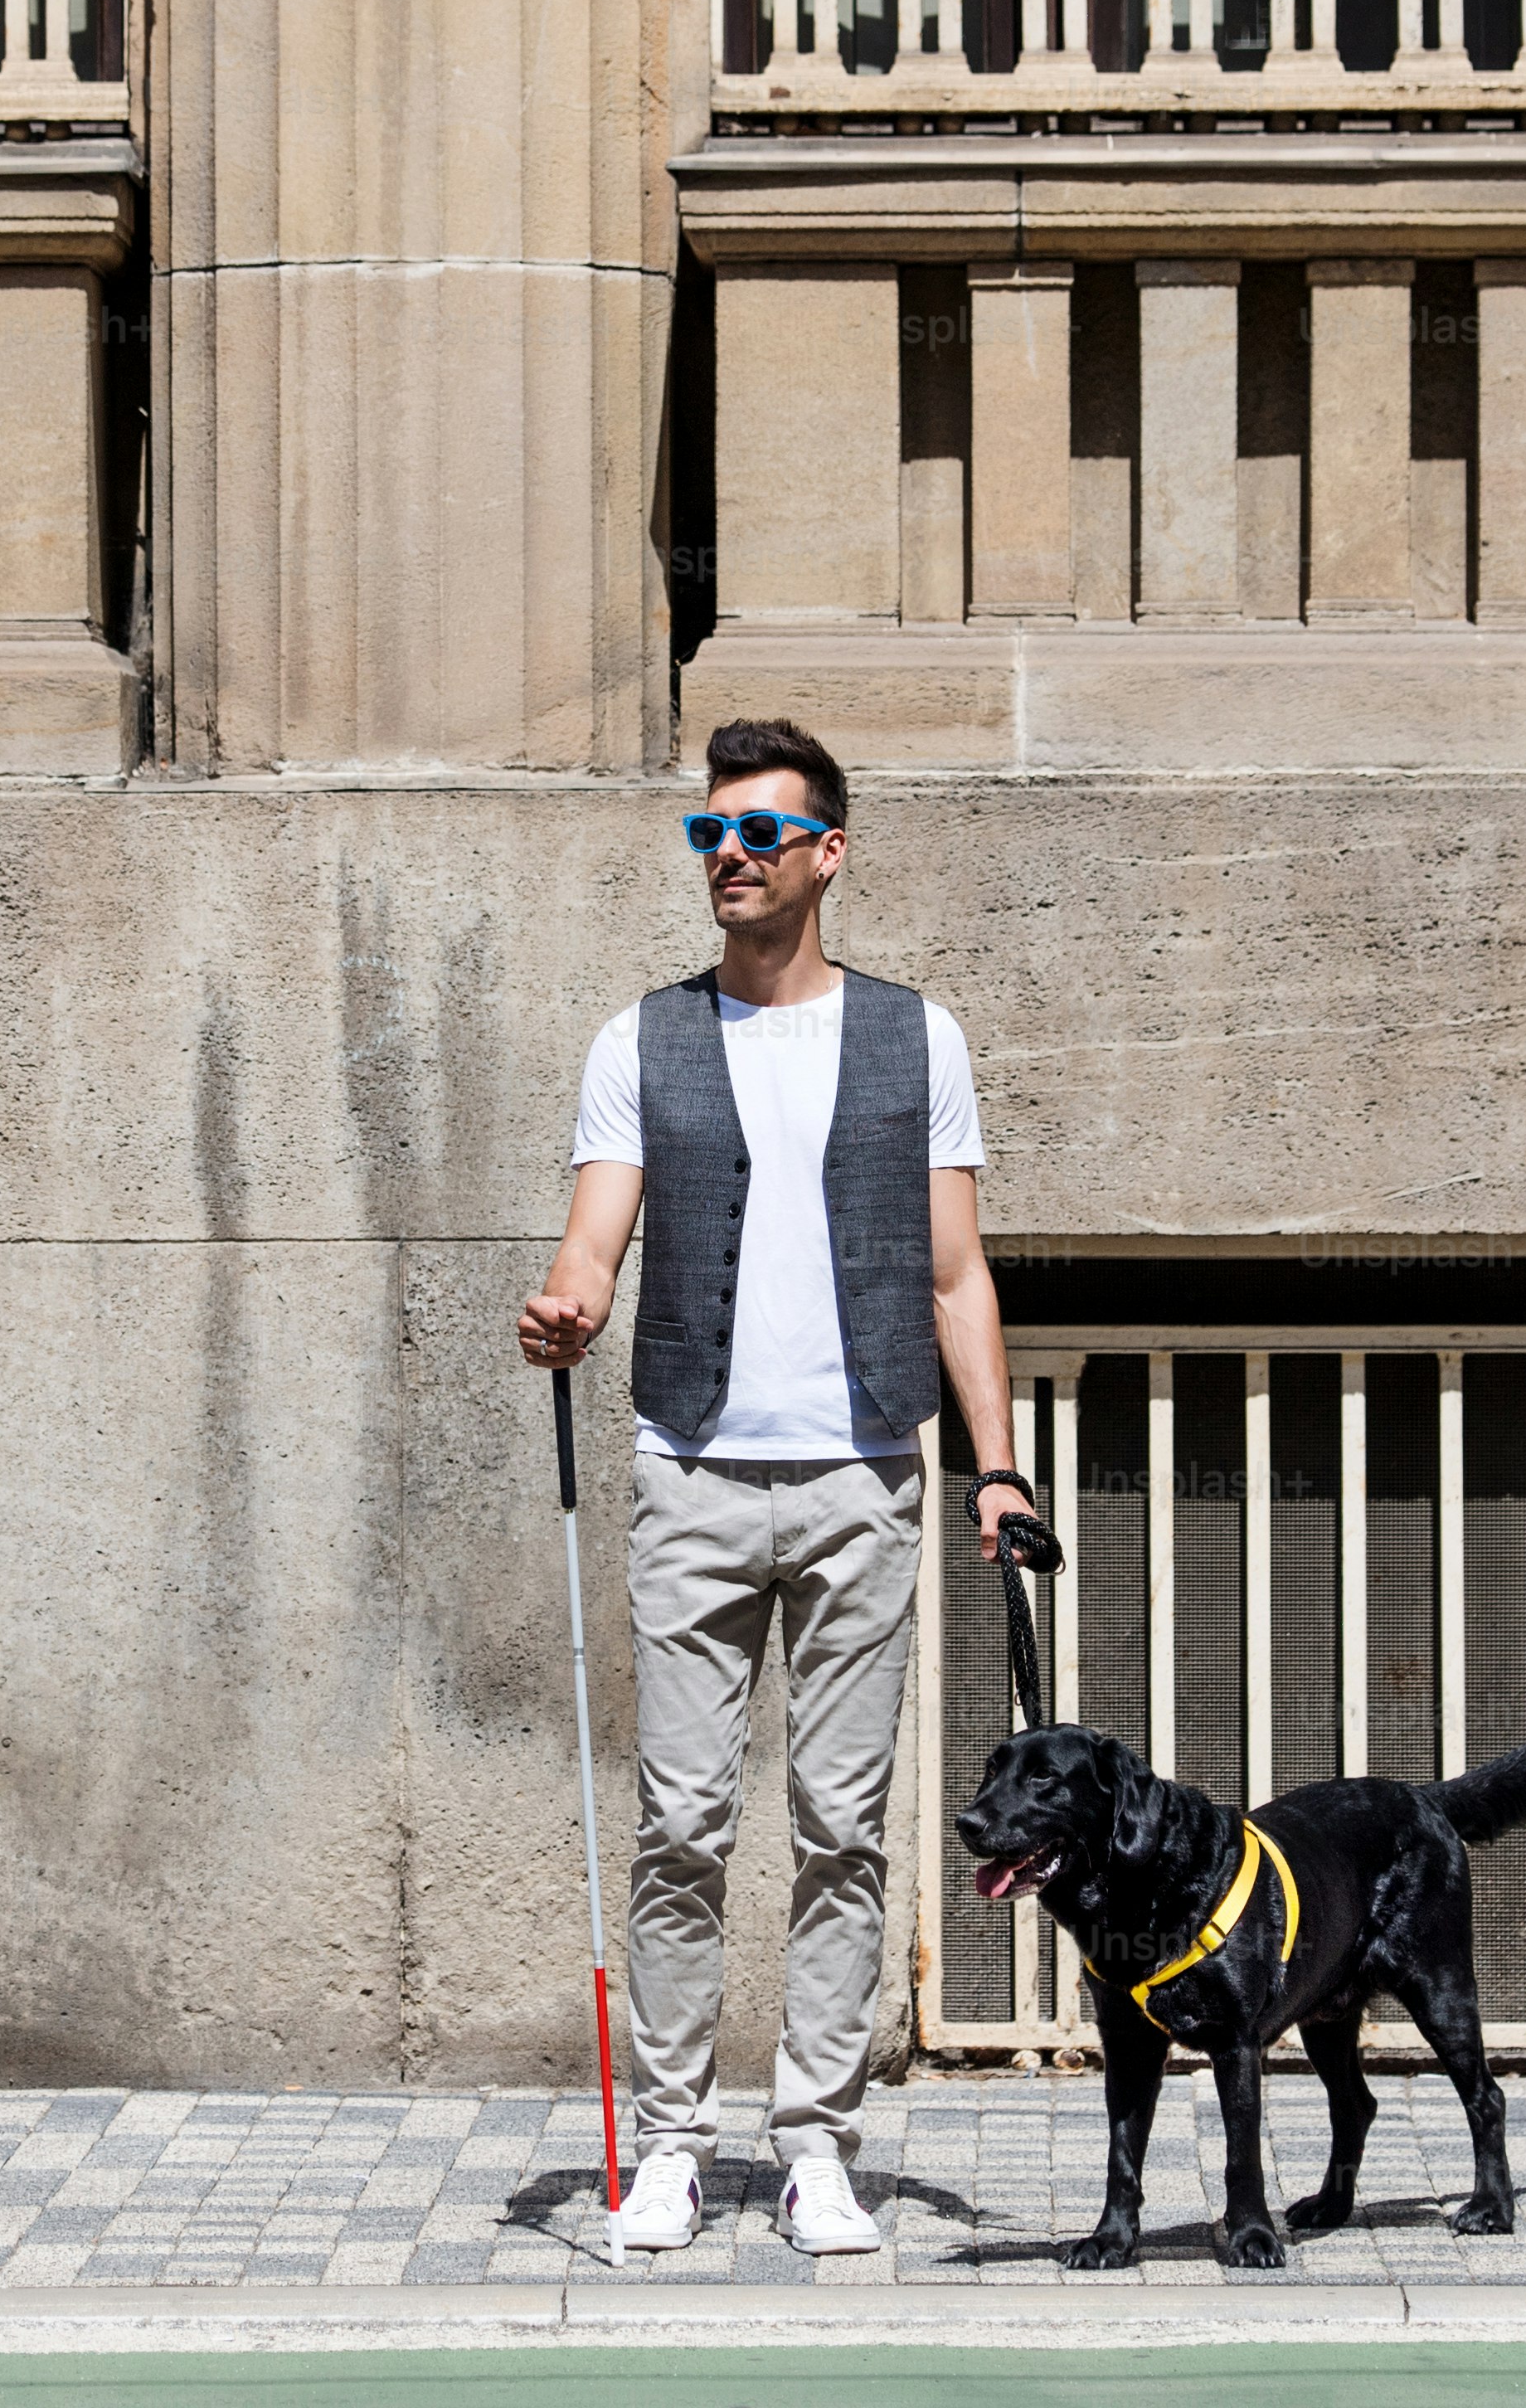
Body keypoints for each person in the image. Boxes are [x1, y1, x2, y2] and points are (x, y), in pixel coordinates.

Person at [515, 718, 1033, 2257]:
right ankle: (673, 2143)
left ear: (827, 853)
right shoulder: (643, 1039)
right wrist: (566, 1302)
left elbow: (954, 1272)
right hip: (692, 1470)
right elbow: (594, 1235)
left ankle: (815, 2142)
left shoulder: (913, 1037)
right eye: (707, 834)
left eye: (758, 833)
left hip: (868, 1472)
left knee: (843, 1825)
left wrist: (995, 1466)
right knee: (678, 1823)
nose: (728, 854)